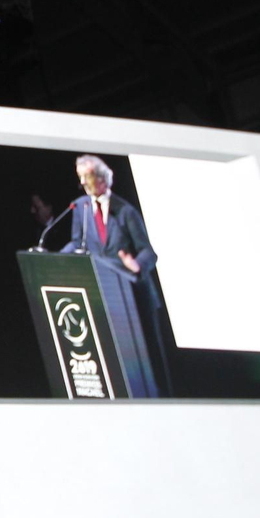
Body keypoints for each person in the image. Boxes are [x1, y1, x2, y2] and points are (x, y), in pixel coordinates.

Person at [60, 154, 173, 396]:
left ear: (102, 179)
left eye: (87, 178)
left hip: (135, 293)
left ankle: (163, 400)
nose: (84, 184)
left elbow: (148, 252)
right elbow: (77, 243)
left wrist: (135, 264)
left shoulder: (125, 211)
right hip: (108, 295)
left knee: (149, 358)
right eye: (80, 179)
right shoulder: (81, 207)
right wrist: (58, 259)